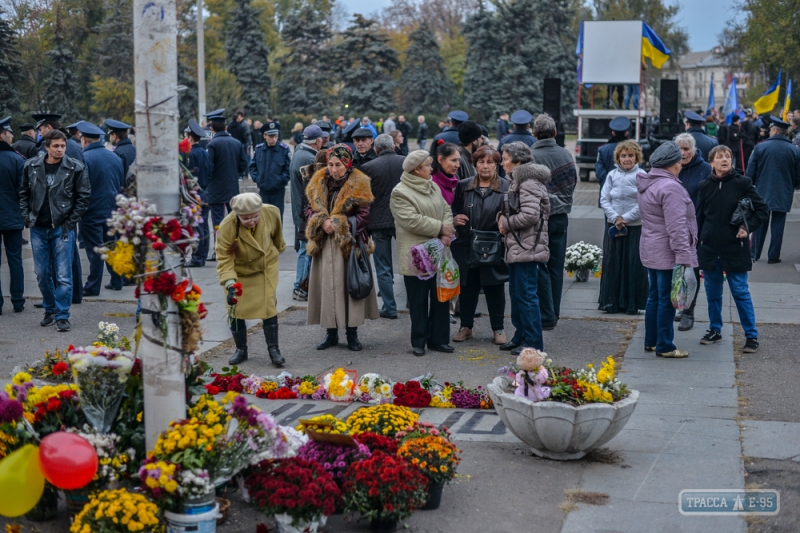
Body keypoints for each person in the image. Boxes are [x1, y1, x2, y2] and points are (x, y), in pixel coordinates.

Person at [305, 144, 378, 351]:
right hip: (324, 244)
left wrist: (336, 224)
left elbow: (364, 216)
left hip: (349, 244)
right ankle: (331, 333)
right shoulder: (317, 182)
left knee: (350, 287)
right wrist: (321, 221)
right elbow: (307, 209)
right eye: (330, 164)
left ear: (347, 163)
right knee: (328, 289)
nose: (333, 169)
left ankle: (352, 334)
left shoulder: (359, 183)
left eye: (338, 164)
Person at [696, 145, 768, 354]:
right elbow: (699, 218)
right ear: (711, 163)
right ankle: (715, 329)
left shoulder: (742, 183)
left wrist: (747, 228)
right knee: (713, 294)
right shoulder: (704, 186)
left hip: (735, 247)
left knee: (740, 292)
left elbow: (762, 210)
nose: (725, 160)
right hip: (710, 248)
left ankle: (751, 335)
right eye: (719, 157)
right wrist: (696, 244)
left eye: (728, 156)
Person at [20, 129, 91, 332]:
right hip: (39, 228)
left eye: (63, 146)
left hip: (63, 228)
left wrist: (70, 223)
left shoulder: (75, 168)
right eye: (56, 146)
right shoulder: (31, 166)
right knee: (42, 274)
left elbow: (84, 197)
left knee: (64, 275)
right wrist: (27, 217)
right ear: (47, 147)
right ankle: (49, 309)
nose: (60, 150)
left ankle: (62, 315)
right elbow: (23, 193)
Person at [390, 150, 455, 356]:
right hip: (416, 255)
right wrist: (440, 229)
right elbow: (411, 220)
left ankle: (439, 340)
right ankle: (419, 341)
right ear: (417, 170)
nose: (431, 169)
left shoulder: (433, 185)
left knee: (440, 297)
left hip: (439, 250)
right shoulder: (400, 192)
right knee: (418, 301)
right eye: (428, 165)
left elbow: (446, 209)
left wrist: (446, 232)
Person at [637, 142, 698, 358]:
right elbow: (677, 227)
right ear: (673, 163)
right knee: (668, 299)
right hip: (668, 251)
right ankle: (665, 345)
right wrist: (684, 257)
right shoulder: (670, 187)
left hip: (651, 247)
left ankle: (651, 341)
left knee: (654, 296)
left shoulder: (649, 183)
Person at [215, 192, 286, 367]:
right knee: (235, 309)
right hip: (238, 272)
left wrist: (279, 248)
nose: (252, 221)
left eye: (255, 216)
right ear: (237, 216)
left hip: (265, 268)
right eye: (246, 219)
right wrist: (230, 283)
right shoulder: (227, 226)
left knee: (268, 305)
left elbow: (277, 234)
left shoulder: (271, 212)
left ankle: (274, 350)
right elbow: (224, 259)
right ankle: (241, 349)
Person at [451, 145, 510, 345]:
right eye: (481, 162)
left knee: (495, 288)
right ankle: (465, 326)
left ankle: (498, 328)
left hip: (494, 245)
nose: (485, 166)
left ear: (496, 165)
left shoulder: (506, 187)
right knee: (468, 288)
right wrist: (454, 218)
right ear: (475, 164)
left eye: (490, 162)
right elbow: (453, 209)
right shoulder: (463, 185)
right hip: (468, 244)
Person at [497, 143, 550, 354]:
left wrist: (506, 223)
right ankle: (522, 335)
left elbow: (530, 215)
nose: (502, 162)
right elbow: (509, 209)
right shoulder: (518, 181)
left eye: (505, 158)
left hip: (527, 248)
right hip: (519, 247)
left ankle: (534, 344)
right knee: (518, 294)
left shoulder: (528, 182)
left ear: (518, 162)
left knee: (527, 296)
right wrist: (501, 219)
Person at [530, 114, 577, 330]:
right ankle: (555, 313)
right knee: (557, 267)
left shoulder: (530, 156)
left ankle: (546, 314)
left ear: (534, 133)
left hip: (540, 218)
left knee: (541, 266)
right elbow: (572, 182)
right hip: (561, 217)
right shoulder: (566, 154)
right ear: (555, 133)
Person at [598, 140, 648, 315]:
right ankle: (611, 302)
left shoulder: (642, 175)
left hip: (634, 227)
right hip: (614, 226)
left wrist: (625, 218)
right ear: (618, 158)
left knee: (632, 264)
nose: (627, 159)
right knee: (613, 263)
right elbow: (604, 199)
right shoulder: (611, 175)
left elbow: (643, 202)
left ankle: (631, 303)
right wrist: (615, 217)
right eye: (623, 156)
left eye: (631, 156)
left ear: (637, 157)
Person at [76, 121, 125, 296]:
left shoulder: (85, 158)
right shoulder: (115, 157)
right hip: (112, 209)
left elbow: (82, 187)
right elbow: (121, 183)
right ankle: (117, 280)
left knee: (95, 249)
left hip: (92, 211)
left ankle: (92, 286)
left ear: (83, 140)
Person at [360, 134, 406, 320]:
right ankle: (412, 300)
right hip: (403, 220)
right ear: (393, 146)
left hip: (378, 221)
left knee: (383, 267)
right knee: (409, 263)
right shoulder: (405, 163)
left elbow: (363, 198)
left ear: (376, 150)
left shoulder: (367, 168)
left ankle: (389, 306)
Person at [672, 133, 711, 330]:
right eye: (679, 148)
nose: (683, 153)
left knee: (692, 272)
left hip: (695, 228)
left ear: (694, 150)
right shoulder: (670, 167)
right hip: (673, 227)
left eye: (687, 149)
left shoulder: (704, 169)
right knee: (676, 270)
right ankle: (679, 306)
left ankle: (689, 311)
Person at [748, 116, 800, 263]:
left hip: (762, 191)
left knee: (760, 223)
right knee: (778, 224)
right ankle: (773, 256)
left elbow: (751, 172)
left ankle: (755, 254)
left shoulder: (760, 147)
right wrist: (792, 185)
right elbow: (798, 175)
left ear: (775, 130)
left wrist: (751, 186)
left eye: (771, 129)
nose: (769, 131)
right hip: (784, 191)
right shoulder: (794, 150)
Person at [289, 125, 327, 301]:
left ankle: (301, 286)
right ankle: (300, 288)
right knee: (305, 250)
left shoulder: (299, 152)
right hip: (305, 212)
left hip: (300, 209)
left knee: (305, 249)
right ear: (317, 141)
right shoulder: (308, 157)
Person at [206, 112, 248, 252]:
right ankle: (236, 246)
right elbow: (243, 164)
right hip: (232, 187)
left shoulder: (212, 144)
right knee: (235, 219)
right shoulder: (236, 143)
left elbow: (209, 167)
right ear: (226, 128)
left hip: (215, 188)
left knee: (218, 221)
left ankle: (220, 248)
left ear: (212, 129)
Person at [0, 117, 26, 314]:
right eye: (9, 132)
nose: (12, 135)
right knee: (15, 259)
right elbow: (23, 191)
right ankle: (17, 301)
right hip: (12, 217)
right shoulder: (17, 160)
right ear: (1, 135)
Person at [249, 121, 292, 220]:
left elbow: (288, 169)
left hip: (278, 190)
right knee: (264, 218)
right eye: (271, 136)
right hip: (263, 190)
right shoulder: (259, 149)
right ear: (265, 136)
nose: (273, 139)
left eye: (275, 136)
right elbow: (252, 166)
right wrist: (257, 179)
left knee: (276, 218)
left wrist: (280, 181)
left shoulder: (284, 149)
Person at [185, 120, 212, 268]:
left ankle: (197, 258)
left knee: (197, 227)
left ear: (189, 138)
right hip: (205, 191)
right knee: (204, 226)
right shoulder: (204, 152)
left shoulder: (190, 154)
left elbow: (188, 177)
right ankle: (202, 256)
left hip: (195, 193)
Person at [595, 117, 630, 201]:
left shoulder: (602, 150)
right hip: (628, 195)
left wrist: (608, 186)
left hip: (608, 195)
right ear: (626, 133)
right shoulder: (633, 151)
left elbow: (599, 172)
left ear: (613, 133)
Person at [431, 142, 460, 206]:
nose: (458, 165)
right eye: (454, 160)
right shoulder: (432, 184)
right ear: (440, 159)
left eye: (458, 160)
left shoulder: (453, 181)